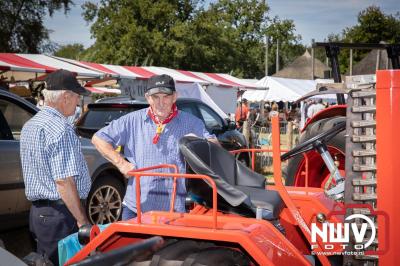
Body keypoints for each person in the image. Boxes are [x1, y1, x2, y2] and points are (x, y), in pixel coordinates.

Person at [91, 74, 217, 220]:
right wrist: (122, 164)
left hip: (173, 210)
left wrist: (197, 144)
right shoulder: (132, 121)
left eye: (166, 96)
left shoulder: (191, 122)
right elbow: (98, 138)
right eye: (155, 97)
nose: (161, 102)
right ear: (148, 98)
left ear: (175, 97)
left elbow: (214, 147)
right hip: (136, 208)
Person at [20, 69, 91, 265]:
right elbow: (64, 181)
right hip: (60, 215)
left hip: (39, 214)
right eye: (77, 97)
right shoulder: (60, 129)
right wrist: (82, 220)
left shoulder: (31, 124)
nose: (78, 103)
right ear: (66, 97)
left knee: (44, 261)